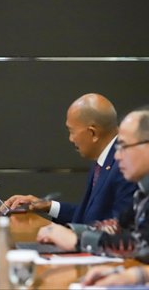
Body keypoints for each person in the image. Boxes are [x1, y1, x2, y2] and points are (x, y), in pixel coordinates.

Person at [36, 106, 149, 265]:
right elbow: (119, 228)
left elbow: (141, 246)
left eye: (124, 146)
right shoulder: (143, 192)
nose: (117, 155)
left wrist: (77, 240)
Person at [5, 93, 137, 224]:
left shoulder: (124, 167)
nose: (71, 139)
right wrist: (47, 205)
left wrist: (68, 237)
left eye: (72, 131)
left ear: (93, 133)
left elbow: (119, 231)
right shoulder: (104, 160)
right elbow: (89, 216)